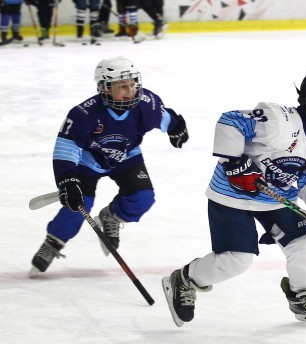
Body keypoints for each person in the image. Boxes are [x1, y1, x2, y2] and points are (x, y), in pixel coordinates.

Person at [161, 66, 306, 326]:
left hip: (275, 199)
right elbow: (231, 122)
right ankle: (185, 279)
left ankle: (302, 298)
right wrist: (234, 163)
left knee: (303, 245)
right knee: (237, 261)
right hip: (233, 196)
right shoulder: (280, 121)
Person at [30, 56, 190, 276]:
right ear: (104, 88)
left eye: (133, 84)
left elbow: (165, 117)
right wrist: (67, 179)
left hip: (126, 156)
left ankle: (111, 216)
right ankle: (54, 241)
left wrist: (177, 126)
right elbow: (65, 149)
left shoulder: (146, 105)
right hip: (88, 162)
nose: (130, 90)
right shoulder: (84, 114)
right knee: (78, 205)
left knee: (143, 198)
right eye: (122, 86)